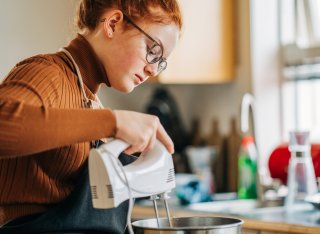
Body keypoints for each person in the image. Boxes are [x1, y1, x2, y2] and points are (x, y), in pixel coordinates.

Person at [0, 0, 182, 233]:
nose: (153, 70)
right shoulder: (47, 73)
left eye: (161, 62)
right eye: (152, 51)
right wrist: (113, 123)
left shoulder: (88, 99)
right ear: (113, 24)